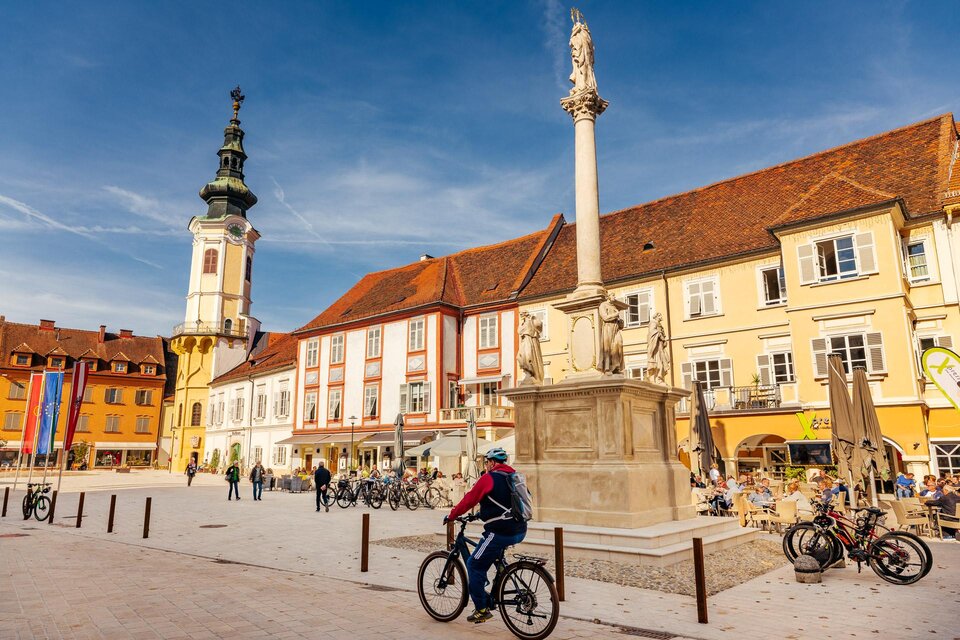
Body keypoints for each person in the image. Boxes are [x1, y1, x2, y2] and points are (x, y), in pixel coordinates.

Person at [445, 447, 527, 625]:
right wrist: (479, 515)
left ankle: (481, 609)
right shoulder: (513, 477)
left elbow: (469, 499)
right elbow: (504, 503)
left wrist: (452, 515)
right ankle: (500, 577)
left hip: (499, 532)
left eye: (487, 462)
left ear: (491, 462)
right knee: (490, 556)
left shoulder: (488, 478)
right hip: (520, 530)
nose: (486, 465)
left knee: (474, 564)